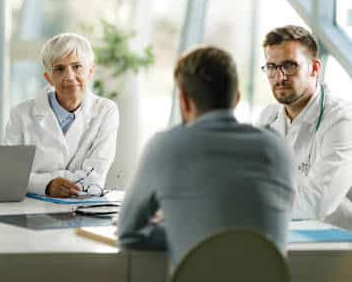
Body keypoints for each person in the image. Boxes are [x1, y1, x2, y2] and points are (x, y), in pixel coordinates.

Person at [117, 46, 294, 268]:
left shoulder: (165, 146)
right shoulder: (277, 146)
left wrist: (184, 232)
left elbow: (128, 234)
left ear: (183, 98)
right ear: (237, 98)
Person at [257, 25, 352, 228]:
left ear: (315, 68)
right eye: (272, 67)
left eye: (289, 66)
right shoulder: (268, 117)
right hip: (289, 233)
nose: (279, 77)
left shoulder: (342, 118)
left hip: (339, 242)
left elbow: (319, 202)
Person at [4, 33, 119, 197]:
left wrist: (35, 180)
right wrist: (47, 185)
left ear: (90, 71)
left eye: (77, 66)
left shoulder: (106, 111)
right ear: (49, 78)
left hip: (83, 206)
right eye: (59, 69)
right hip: (32, 208)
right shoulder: (20, 114)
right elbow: (9, 174)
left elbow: (95, 176)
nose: (69, 76)